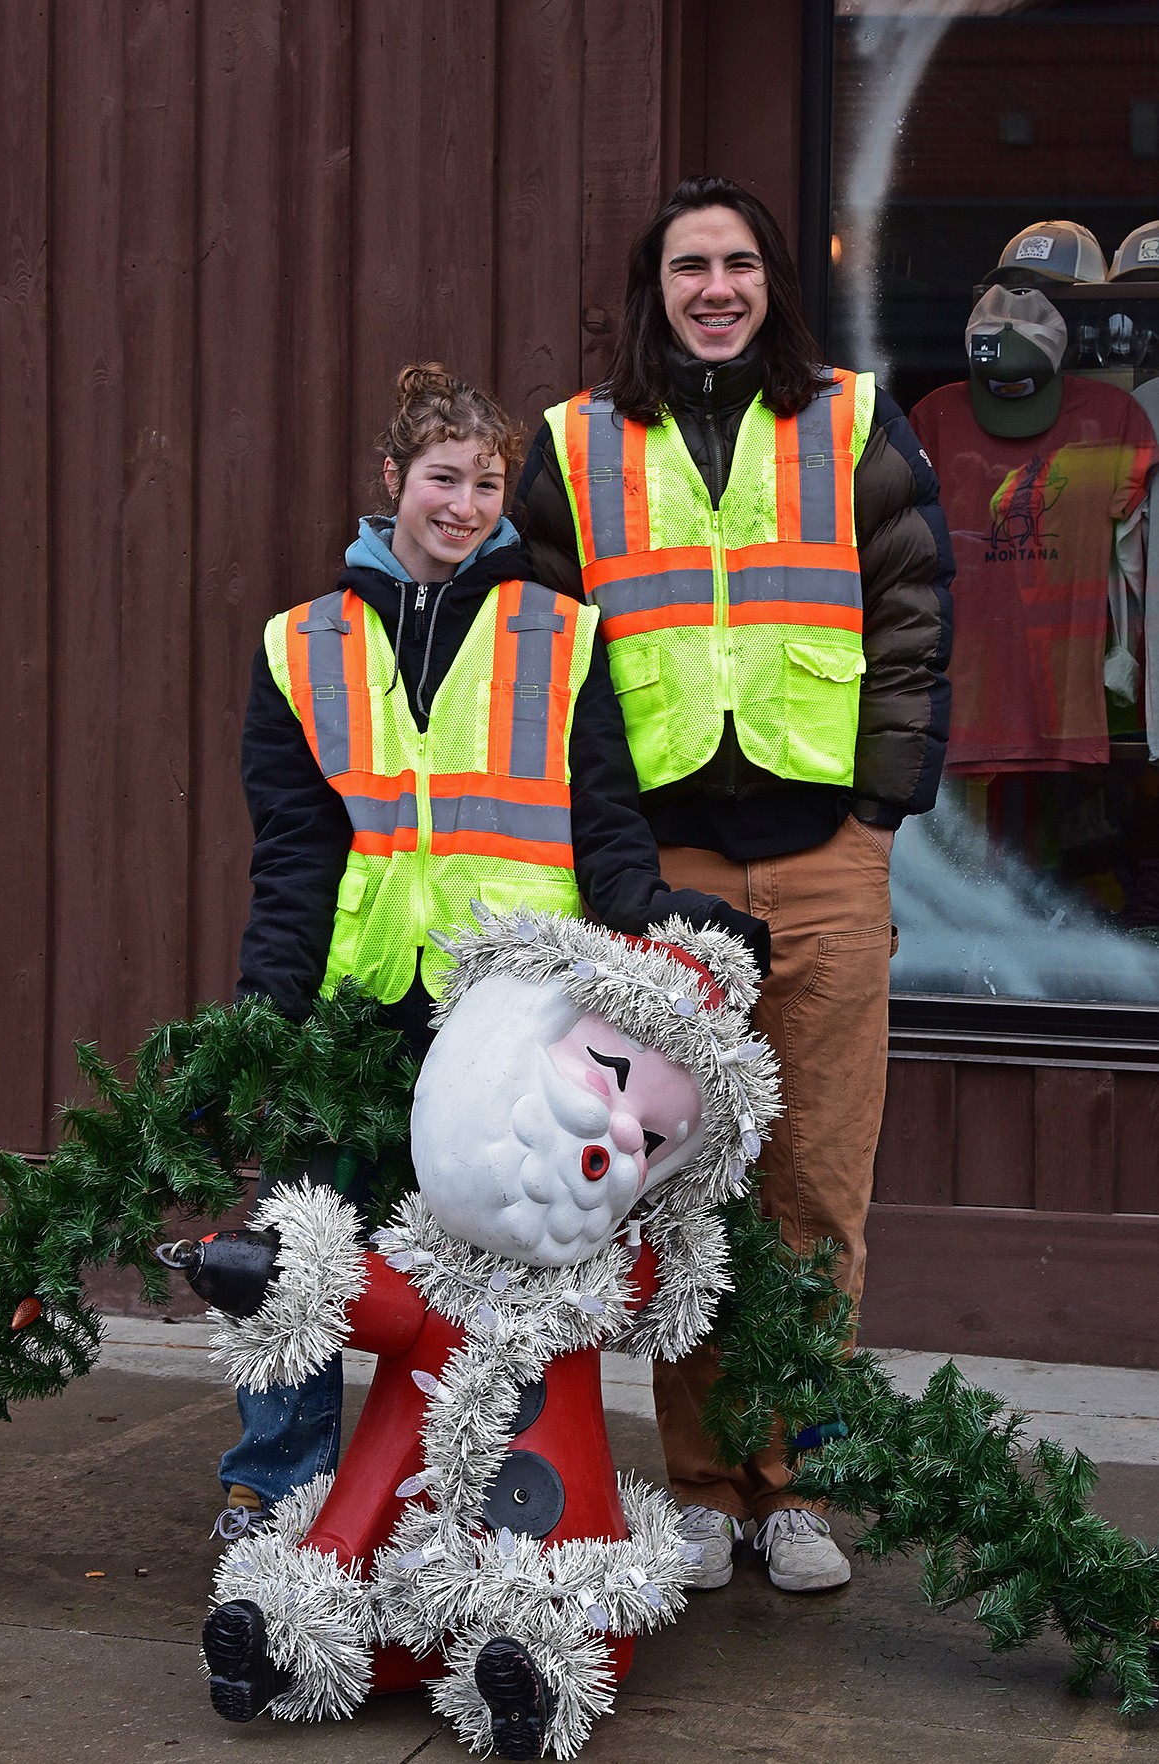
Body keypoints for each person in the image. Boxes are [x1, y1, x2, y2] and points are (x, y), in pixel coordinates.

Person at [216, 361, 770, 1531]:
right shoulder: (299, 645)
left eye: (485, 482)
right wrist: (264, 1014)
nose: (463, 504)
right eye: (441, 477)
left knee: (503, 1271)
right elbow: (294, 859)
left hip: (508, 1013)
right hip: (356, 996)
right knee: (307, 1240)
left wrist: (666, 916)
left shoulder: (561, 635)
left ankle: (484, 1495)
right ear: (390, 481)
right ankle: (278, 1488)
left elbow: (605, 822)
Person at [521, 176, 954, 1594]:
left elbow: (910, 605)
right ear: (652, 288)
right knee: (686, 1187)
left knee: (816, 1185)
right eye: (687, 266)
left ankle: (797, 1488)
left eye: (738, 264)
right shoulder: (575, 445)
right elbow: (546, 660)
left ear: (773, 283)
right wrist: (613, 864)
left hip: (824, 854)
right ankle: (703, 1485)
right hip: (669, 876)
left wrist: (879, 808)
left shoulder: (847, 415)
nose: (714, 287)